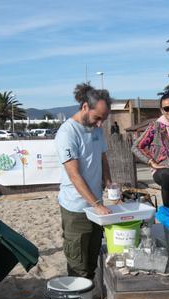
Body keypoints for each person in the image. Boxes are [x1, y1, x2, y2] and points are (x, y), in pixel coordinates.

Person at [55, 83, 113, 280]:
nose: (100, 124)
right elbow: (74, 175)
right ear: (85, 107)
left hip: (96, 208)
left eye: (103, 120)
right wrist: (96, 204)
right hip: (76, 209)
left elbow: (103, 157)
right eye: (98, 118)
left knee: (91, 262)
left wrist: (110, 184)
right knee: (78, 265)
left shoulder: (96, 129)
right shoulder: (67, 132)